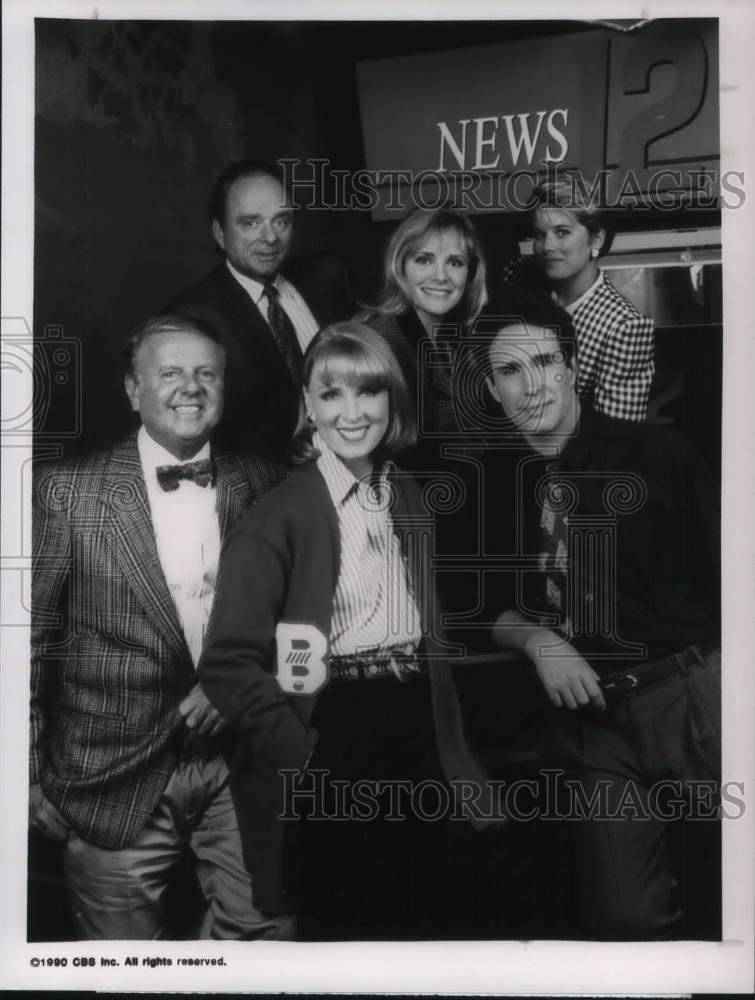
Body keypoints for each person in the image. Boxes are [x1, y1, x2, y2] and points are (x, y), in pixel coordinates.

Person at [197, 321, 494, 940]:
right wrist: (302, 755)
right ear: (308, 405)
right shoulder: (279, 514)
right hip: (334, 731)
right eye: (332, 395)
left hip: (417, 720)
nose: (352, 413)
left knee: (431, 918)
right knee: (353, 925)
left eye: (368, 393)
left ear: (393, 400)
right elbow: (228, 661)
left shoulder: (409, 492)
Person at [29, 315, 288, 940]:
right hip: (108, 779)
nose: (190, 388)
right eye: (170, 373)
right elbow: (24, 644)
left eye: (206, 373)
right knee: (125, 971)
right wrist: (23, 778)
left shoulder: (267, 483)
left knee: (268, 945)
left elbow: (302, 622)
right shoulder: (65, 493)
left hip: (240, 769)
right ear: (132, 390)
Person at [482, 290, 720, 939]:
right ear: (491, 386)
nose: (529, 385)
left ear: (571, 363)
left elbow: (730, 575)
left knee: (728, 896)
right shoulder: (492, 487)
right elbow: (469, 607)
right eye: (509, 371)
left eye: (542, 361)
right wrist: (535, 640)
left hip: (691, 695)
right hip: (593, 728)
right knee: (623, 920)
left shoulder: (658, 455)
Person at [166, 159, 353, 459]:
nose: (270, 237)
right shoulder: (191, 319)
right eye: (250, 222)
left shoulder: (326, 277)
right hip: (270, 493)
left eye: (281, 221)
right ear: (219, 232)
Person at [500, 177, 654, 421]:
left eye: (562, 232)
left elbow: (613, 442)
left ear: (596, 240)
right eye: (540, 235)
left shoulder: (624, 327)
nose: (547, 246)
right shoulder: (517, 275)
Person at [359, 206, 488, 463]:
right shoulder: (379, 340)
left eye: (455, 262)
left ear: (470, 274)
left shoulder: (455, 338)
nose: (440, 276)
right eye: (424, 260)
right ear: (400, 266)